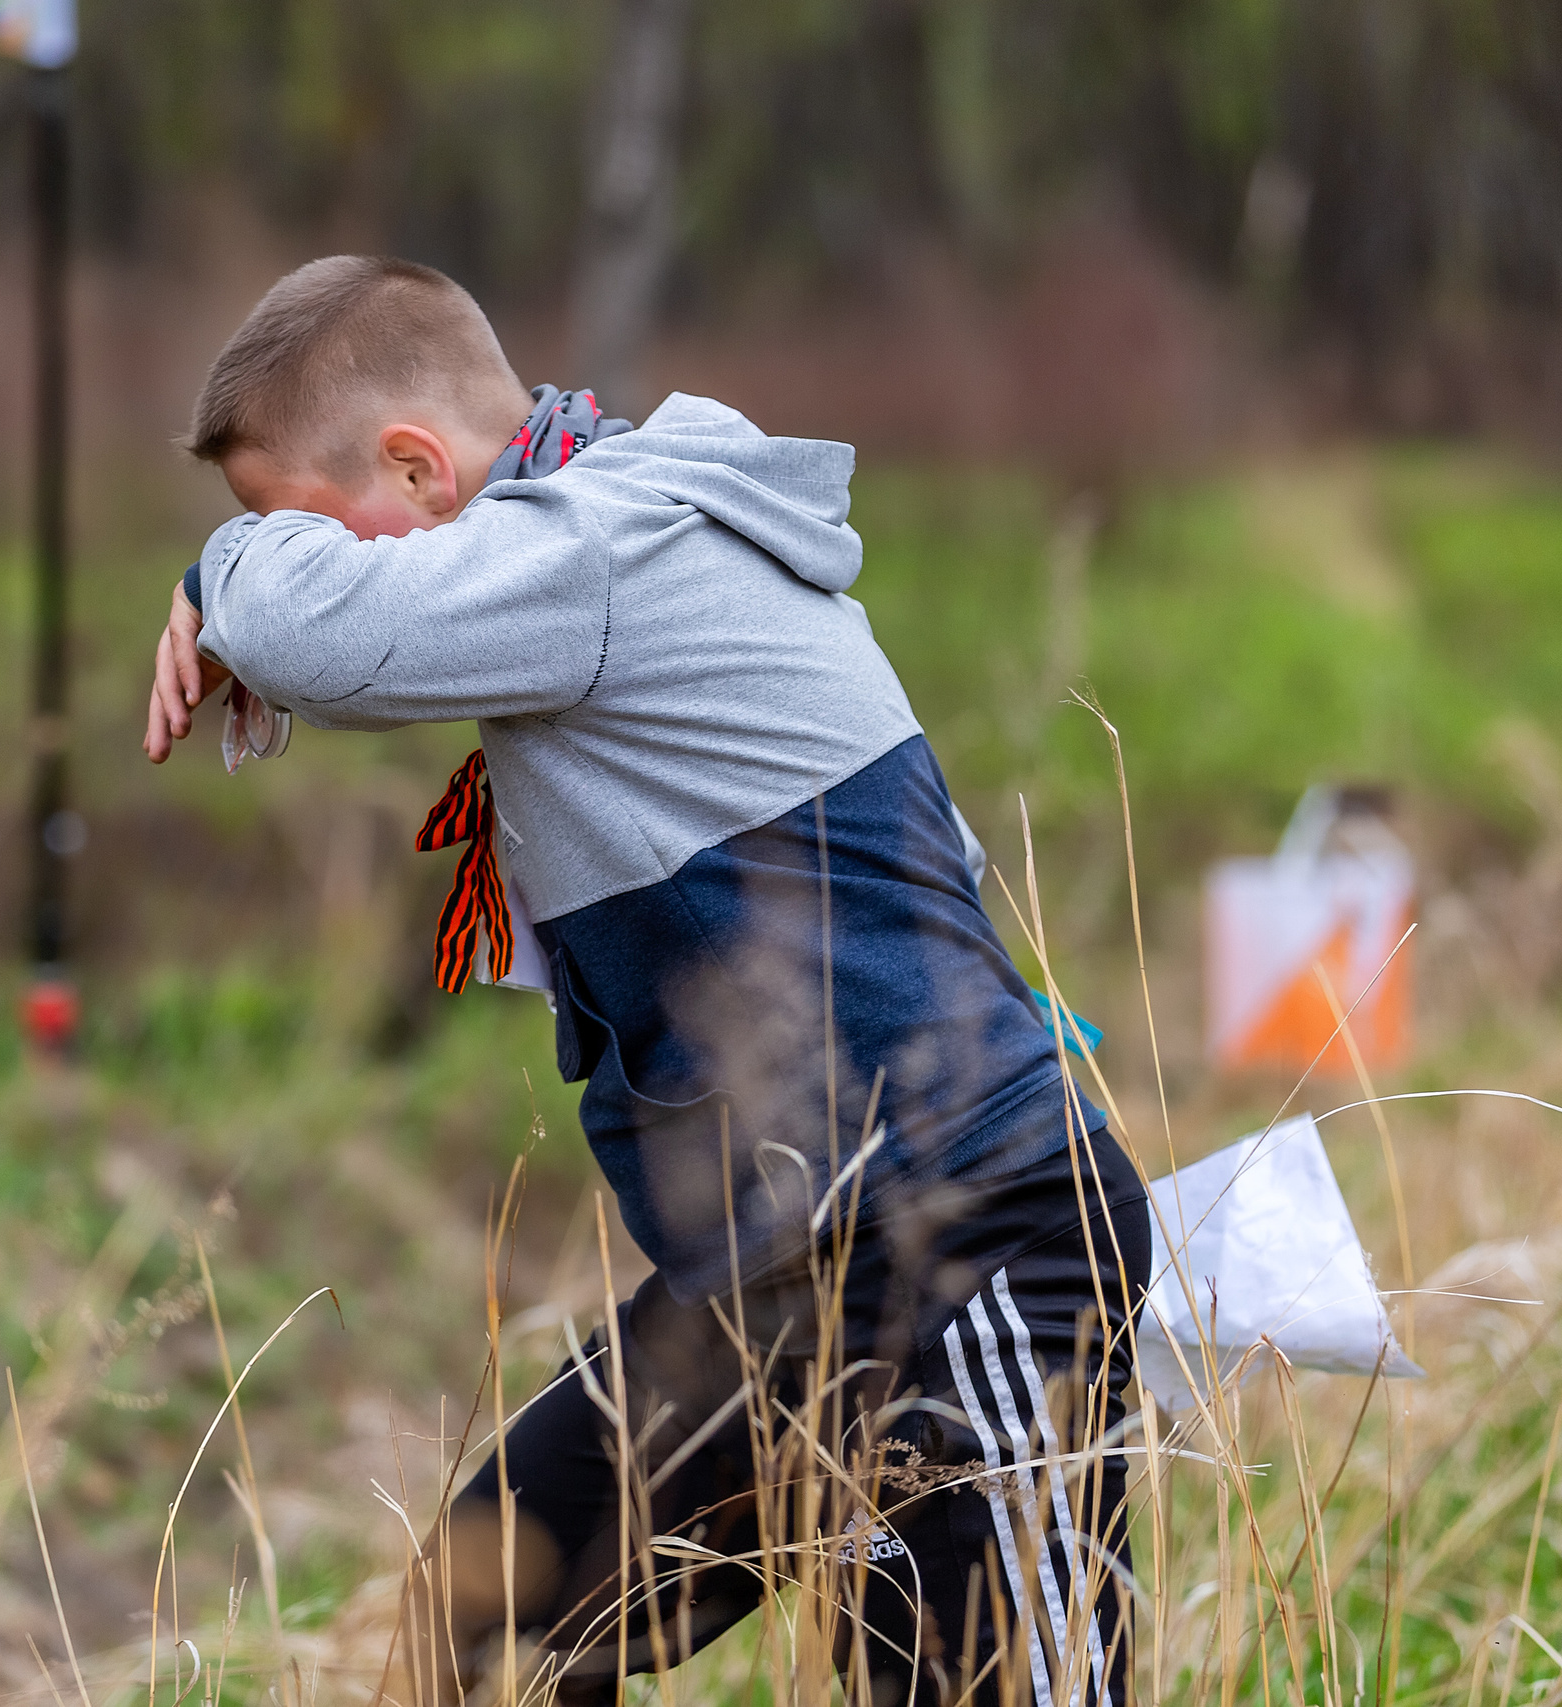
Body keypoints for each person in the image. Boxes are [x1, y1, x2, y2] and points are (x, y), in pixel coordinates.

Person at [143, 254, 1150, 1707]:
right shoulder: (594, 542)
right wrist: (255, 556)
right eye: (258, 537)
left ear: (422, 471)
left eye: (294, 526)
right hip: (773, 1287)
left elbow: (323, 635)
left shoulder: (608, 544)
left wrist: (218, 577)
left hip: (969, 1246)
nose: (276, 561)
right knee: (480, 1634)